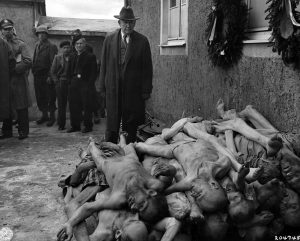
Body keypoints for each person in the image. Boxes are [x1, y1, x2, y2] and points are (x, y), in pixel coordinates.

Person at [57, 136, 172, 241]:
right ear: (151, 192)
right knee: (121, 147)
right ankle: (99, 143)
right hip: (127, 157)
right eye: (141, 205)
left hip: (105, 164)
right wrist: (170, 170)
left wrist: (70, 224)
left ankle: (91, 145)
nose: (134, 207)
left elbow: (87, 208)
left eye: (137, 211)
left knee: (94, 156)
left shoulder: (119, 198)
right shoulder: (153, 184)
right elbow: (167, 179)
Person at [99, 6, 153, 144]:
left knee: (131, 124)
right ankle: (109, 150)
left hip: (132, 91)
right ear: (119, 23)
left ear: (134, 23)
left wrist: (145, 91)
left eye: (131, 22)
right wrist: (102, 88)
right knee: (112, 124)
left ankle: (129, 152)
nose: (128, 25)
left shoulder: (142, 41)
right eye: (125, 22)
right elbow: (103, 65)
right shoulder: (109, 40)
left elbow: (147, 68)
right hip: (113, 89)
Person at [0, 19, 31, 140]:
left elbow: (28, 61)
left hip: (18, 81)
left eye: (10, 28)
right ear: (1, 31)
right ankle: (7, 131)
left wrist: (14, 69)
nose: (8, 31)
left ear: (13, 29)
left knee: (21, 106)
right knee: (6, 105)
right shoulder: (1, 44)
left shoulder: (20, 44)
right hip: (4, 81)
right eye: (5, 29)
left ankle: (23, 131)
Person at [68, 38, 97, 133]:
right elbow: (69, 71)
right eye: (77, 44)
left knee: (87, 106)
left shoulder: (90, 56)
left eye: (81, 43)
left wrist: (89, 85)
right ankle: (75, 126)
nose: (78, 45)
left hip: (85, 83)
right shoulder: (72, 56)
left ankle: (88, 126)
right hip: (74, 83)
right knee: (74, 105)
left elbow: (94, 73)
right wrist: (70, 82)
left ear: (85, 45)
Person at [32, 25, 58, 126]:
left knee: (50, 97)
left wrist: (50, 76)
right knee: (40, 96)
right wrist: (33, 71)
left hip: (46, 76)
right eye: (39, 34)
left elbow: (53, 63)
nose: (41, 35)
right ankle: (44, 116)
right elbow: (35, 59)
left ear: (47, 35)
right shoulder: (36, 45)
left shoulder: (51, 46)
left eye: (43, 33)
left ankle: (52, 117)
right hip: (37, 75)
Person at [51, 41, 72, 130]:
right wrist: (56, 81)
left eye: (68, 47)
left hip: (71, 83)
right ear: (61, 49)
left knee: (73, 104)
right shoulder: (57, 58)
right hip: (61, 83)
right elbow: (53, 71)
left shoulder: (73, 57)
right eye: (64, 48)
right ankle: (61, 124)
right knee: (61, 104)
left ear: (70, 48)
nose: (66, 49)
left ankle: (75, 124)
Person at [0, 24, 16, 139]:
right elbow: (12, 62)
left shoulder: (4, 44)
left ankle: (6, 131)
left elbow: (12, 62)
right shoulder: (4, 44)